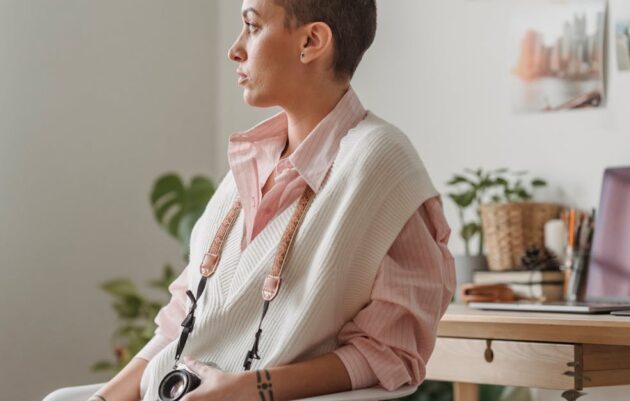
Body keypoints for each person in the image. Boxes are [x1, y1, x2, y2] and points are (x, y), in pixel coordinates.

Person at [45, 1, 455, 400]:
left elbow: (391, 352)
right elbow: (180, 326)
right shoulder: (250, 162)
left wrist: (251, 389)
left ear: (311, 41)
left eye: (253, 26)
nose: (235, 48)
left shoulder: (382, 163)